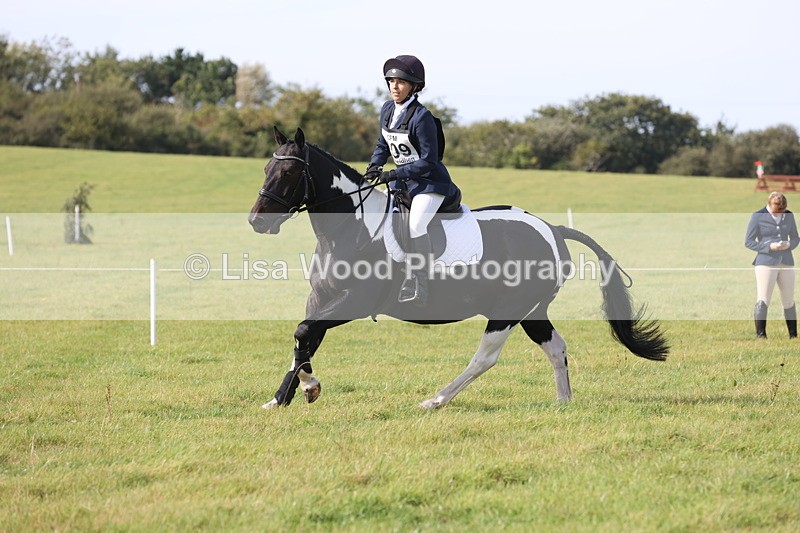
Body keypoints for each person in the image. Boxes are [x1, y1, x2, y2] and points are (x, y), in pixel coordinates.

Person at [364, 54, 461, 306]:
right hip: (404, 183)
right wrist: (375, 165)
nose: (394, 87)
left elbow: (428, 160)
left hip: (430, 184)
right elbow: (383, 143)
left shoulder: (422, 117)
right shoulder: (387, 109)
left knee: (416, 225)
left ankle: (421, 282)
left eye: (401, 82)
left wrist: (393, 173)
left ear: (414, 86)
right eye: (391, 81)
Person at [744, 191, 799, 338]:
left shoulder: (789, 215)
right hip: (766, 262)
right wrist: (769, 247)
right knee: (763, 298)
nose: (780, 214)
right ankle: (761, 335)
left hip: (786, 261)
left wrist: (789, 244)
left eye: (782, 211)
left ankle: (793, 335)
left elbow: (795, 238)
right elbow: (748, 242)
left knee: (789, 299)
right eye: (777, 211)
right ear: (769, 204)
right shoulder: (758, 216)